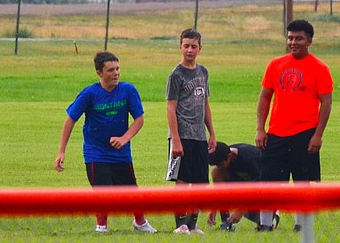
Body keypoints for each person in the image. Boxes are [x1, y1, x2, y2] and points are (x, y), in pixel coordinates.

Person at [55, 51, 158, 234]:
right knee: (102, 190)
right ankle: (101, 226)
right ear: (99, 73)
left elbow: (139, 119)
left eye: (118, 69)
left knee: (131, 190)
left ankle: (140, 223)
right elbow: (70, 120)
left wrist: (124, 139)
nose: (116, 73)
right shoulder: (89, 94)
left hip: (121, 153)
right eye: (110, 70)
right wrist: (61, 151)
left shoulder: (128, 90)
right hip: (96, 152)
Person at [255, 19, 332, 232]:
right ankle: (265, 224)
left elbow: (326, 103)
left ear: (309, 41)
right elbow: (264, 98)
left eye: (298, 38)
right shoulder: (275, 64)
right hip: (276, 133)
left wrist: (318, 135)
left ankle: (301, 224)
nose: (293, 42)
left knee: (302, 182)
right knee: (268, 181)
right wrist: (261, 129)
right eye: (290, 38)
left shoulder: (320, 68)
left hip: (304, 133)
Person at [165, 28, 215, 234]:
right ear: (180, 47)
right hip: (182, 136)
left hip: (199, 136)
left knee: (201, 182)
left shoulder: (203, 72)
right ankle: (181, 224)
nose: (189, 50)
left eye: (193, 46)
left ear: (200, 48)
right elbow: (170, 108)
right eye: (186, 46)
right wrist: (175, 139)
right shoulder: (176, 75)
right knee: (183, 181)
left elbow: (205, 104)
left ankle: (193, 224)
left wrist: (211, 132)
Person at [206, 141, 271, 231]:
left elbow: (260, 185)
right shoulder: (224, 155)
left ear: (229, 157)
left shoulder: (249, 158)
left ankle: (270, 218)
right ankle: (226, 222)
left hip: (264, 189)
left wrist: (241, 210)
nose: (219, 166)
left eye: (220, 164)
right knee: (216, 172)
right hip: (244, 186)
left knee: (266, 226)